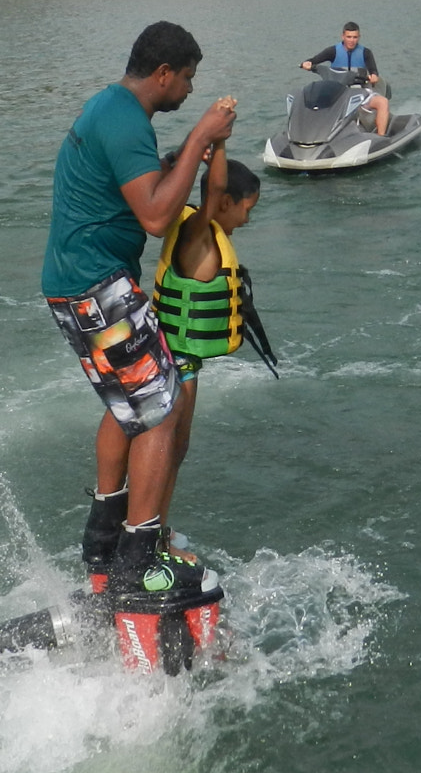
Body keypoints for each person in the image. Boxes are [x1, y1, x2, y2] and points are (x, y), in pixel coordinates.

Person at [43, 20, 236, 608]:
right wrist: (203, 134)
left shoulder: (108, 107)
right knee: (161, 409)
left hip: (80, 282)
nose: (187, 92)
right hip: (95, 285)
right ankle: (140, 558)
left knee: (129, 406)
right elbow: (155, 216)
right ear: (162, 74)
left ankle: (104, 540)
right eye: (187, 80)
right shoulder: (126, 121)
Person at [148, 139, 276, 544]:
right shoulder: (198, 232)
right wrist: (217, 143)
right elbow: (215, 185)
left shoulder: (197, 229)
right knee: (169, 448)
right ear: (224, 203)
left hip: (182, 361)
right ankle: (148, 538)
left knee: (177, 448)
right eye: (247, 208)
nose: (248, 219)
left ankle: (155, 531)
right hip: (176, 362)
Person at [302, 20, 391, 137]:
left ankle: (380, 138)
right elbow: (312, 60)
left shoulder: (365, 53)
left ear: (359, 37)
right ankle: (308, 134)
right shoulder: (332, 51)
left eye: (355, 37)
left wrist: (373, 77)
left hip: (360, 93)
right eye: (349, 37)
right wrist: (307, 64)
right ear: (343, 36)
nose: (352, 40)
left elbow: (374, 71)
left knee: (383, 102)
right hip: (337, 94)